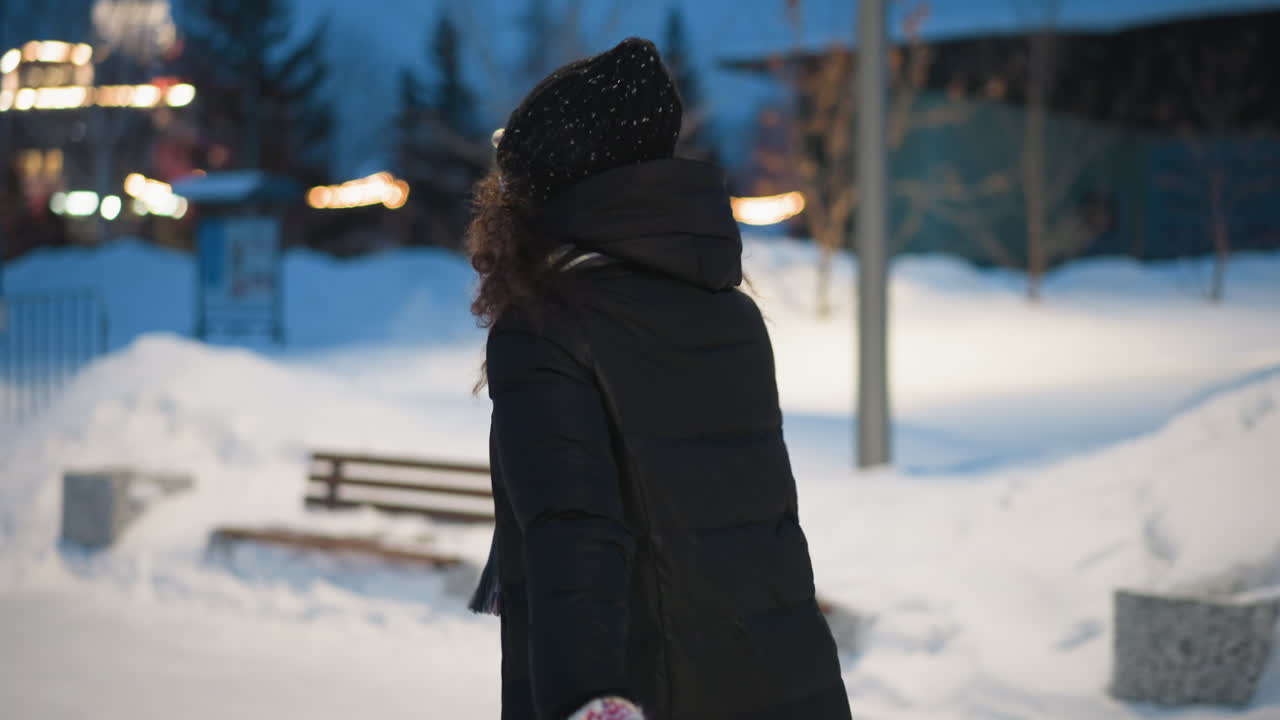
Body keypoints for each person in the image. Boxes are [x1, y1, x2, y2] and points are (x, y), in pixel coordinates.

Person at [467, 37, 851, 720]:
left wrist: (588, 705)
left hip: (650, 693)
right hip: (787, 681)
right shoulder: (727, 312)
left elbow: (574, 534)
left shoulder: (546, 325)